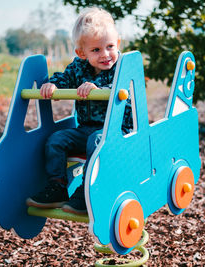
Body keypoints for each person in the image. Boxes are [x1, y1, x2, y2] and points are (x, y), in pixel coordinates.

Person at [26, 7, 133, 215]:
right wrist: (53, 85)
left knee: (96, 140)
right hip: (87, 128)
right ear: (81, 53)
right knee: (57, 139)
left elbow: (125, 91)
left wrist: (98, 89)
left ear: (117, 43)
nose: (105, 55)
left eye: (110, 46)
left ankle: (87, 191)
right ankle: (57, 186)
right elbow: (63, 78)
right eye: (96, 50)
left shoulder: (123, 67)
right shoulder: (79, 67)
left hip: (119, 131)